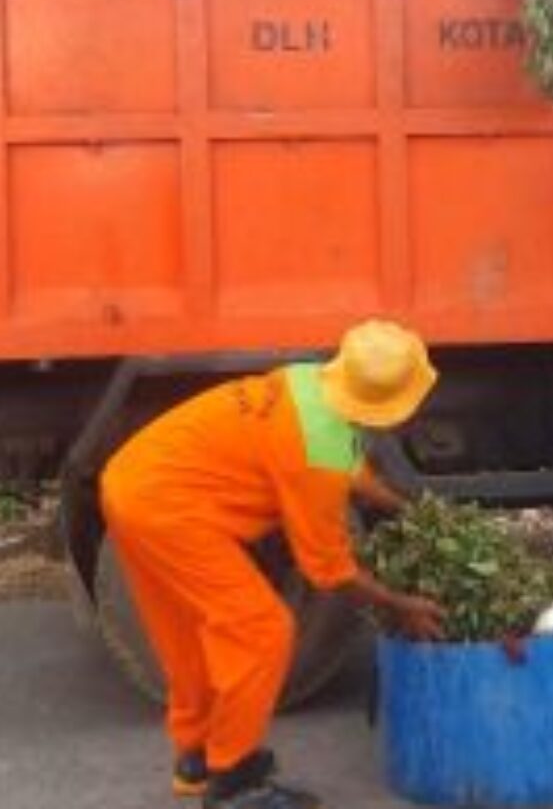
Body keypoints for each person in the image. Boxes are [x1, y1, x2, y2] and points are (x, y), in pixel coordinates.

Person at [101, 319, 450, 809]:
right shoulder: (314, 460)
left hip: (132, 479)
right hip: (170, 511)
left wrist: (401, 506)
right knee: (261, 631)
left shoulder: (306, 379)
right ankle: (234, 782)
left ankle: (196, 758)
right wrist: (401, 605)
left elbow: (347, 462)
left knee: (188, 633)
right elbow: (329, 570)